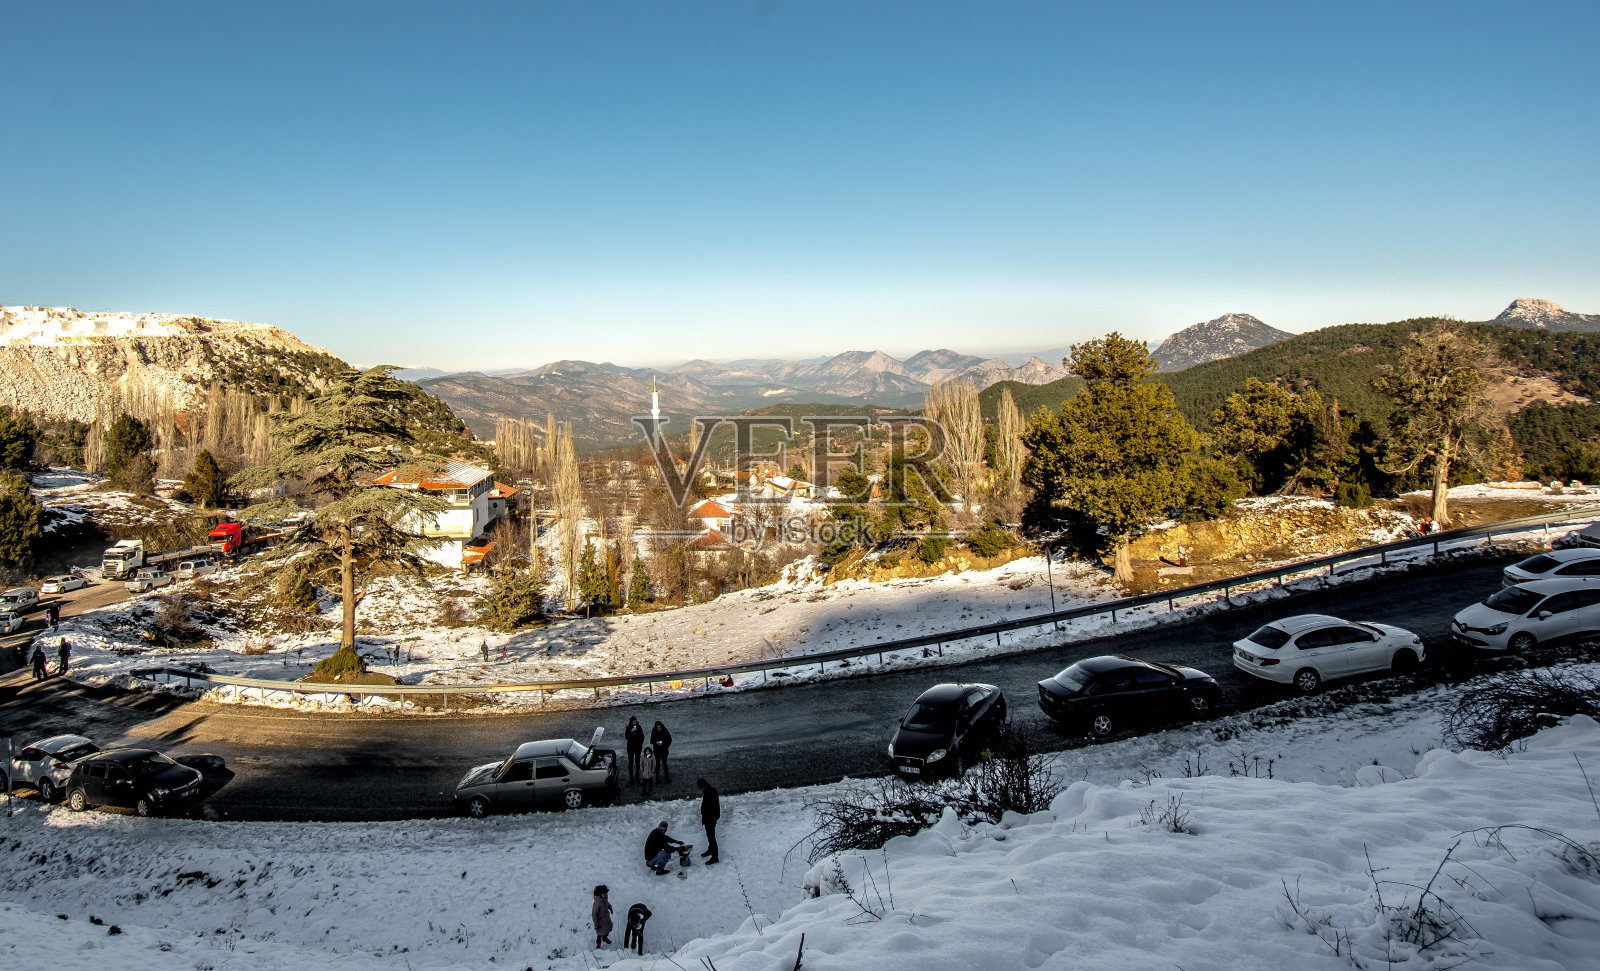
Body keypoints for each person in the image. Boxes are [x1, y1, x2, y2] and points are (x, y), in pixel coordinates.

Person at [697, 777, 721, 865]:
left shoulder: (709, 793)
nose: (699, 789)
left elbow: (710, 808)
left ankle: (715, 857)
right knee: (710, 835)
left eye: (699, 787)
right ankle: (710, 850)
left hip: (710, 819)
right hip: (710, 818)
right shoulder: (710, 791)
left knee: (711, 837)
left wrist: (710, 817)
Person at [625, 716, 645, 784]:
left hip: (637, 747)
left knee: (637, 762)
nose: (634, 723)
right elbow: (626, 737)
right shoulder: (628, 727)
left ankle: (637, 776)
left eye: (635, 722)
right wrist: (631, 731)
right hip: (630, 747)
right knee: (630, 762)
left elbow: (642, 736)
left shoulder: (639, 727)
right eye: (633, 722)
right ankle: (631, 776)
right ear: (631, 722)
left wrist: (640, 744)